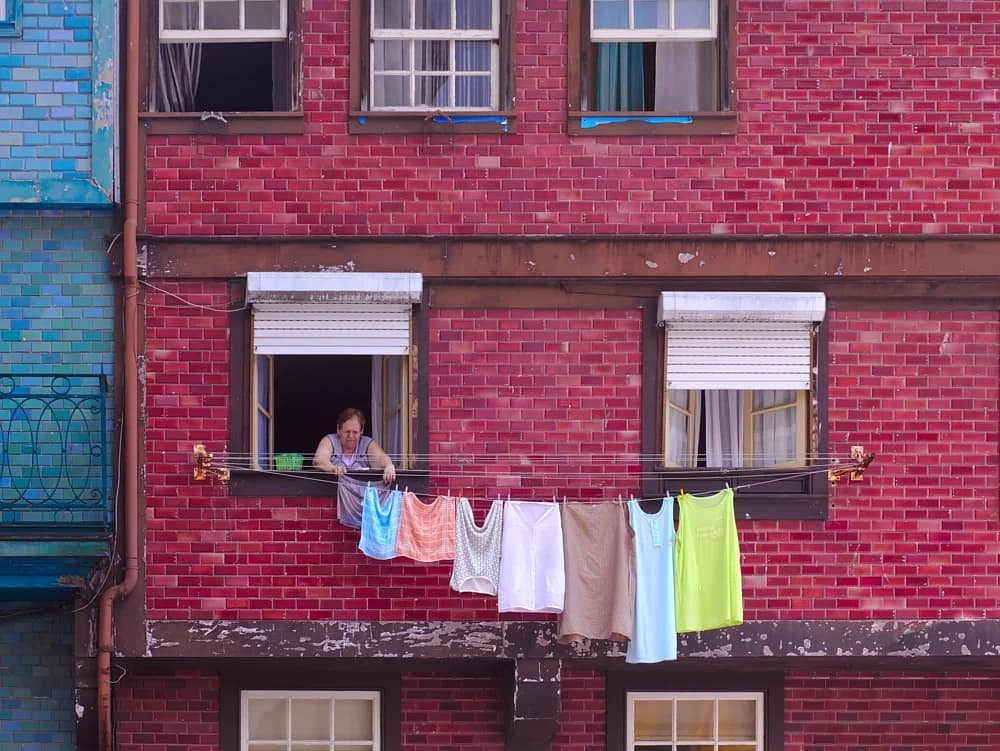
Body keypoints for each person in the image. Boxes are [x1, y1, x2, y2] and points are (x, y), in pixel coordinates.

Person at [313, 408, 396, 484]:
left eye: (355, 432)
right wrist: (333, 468)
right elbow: (319, 461)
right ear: (338, 429)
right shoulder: (330, 440)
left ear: (361, 430)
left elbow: (381, 458)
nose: (351, 436)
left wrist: (388, 465)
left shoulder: (367, 443)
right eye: (347, 432)